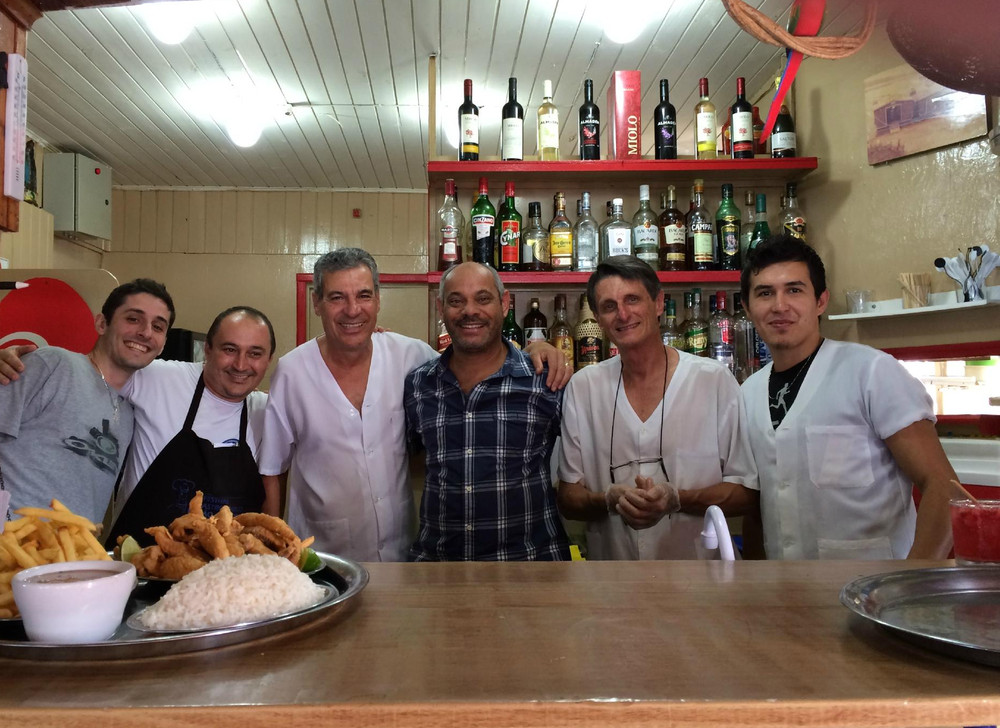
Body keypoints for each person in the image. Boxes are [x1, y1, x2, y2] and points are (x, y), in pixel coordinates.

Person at [260, 248, 569, 562]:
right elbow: (273, 468)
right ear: (316, 303)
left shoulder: (413, 358)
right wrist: (270, 554)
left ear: (377, 300)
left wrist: (535, 350)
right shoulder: (295, 371)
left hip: (439, 559)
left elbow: (477, 356)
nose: (353, 310)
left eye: (364, 295)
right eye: (337, 297)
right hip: (328, 554)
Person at [739, 234, 956, 560]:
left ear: (821, 301)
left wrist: (913, 580)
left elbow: (943, 487)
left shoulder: (871, 372)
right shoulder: (748, 393)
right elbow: (758, 508)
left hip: (878, 582)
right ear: (747, 307)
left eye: (794, 290)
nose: (779, 305)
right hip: (784, 585)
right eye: (765, 293)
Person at [0, 305, 276, 541]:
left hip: (227, 576)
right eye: (230, 349)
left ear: (268, 360)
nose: (241, 365)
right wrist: (4, 361)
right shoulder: (158, 378)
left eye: (255, 353)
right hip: (139, 566)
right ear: (208, 350)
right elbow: (90, 369)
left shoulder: (268, 414)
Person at [555, 256, 756, 560]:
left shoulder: (712, 380)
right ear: (597, 317)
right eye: (609, 306)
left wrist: (677, 498)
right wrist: (607, 500)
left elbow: (746, 493)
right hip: (612, 578)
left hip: (701, 579)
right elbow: (568, 499)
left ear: (659, 303)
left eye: (632, 299)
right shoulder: (584, 387)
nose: (623, 314)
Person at [404, 261, 570, 561]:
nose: (470, 311)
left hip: (531, 568)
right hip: (438, 569)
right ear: (441, 308)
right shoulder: (418, 384)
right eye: (456, 301)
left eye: (483, 299)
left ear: (504, 304)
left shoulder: (546, 381)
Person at [0, 278, 175, 523]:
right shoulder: (52, 365)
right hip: (3, 542)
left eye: (158, 327)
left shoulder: (129, 413)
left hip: (76, 547)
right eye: (133, 319)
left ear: (162, 345)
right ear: (102, 323)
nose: (145, 332)